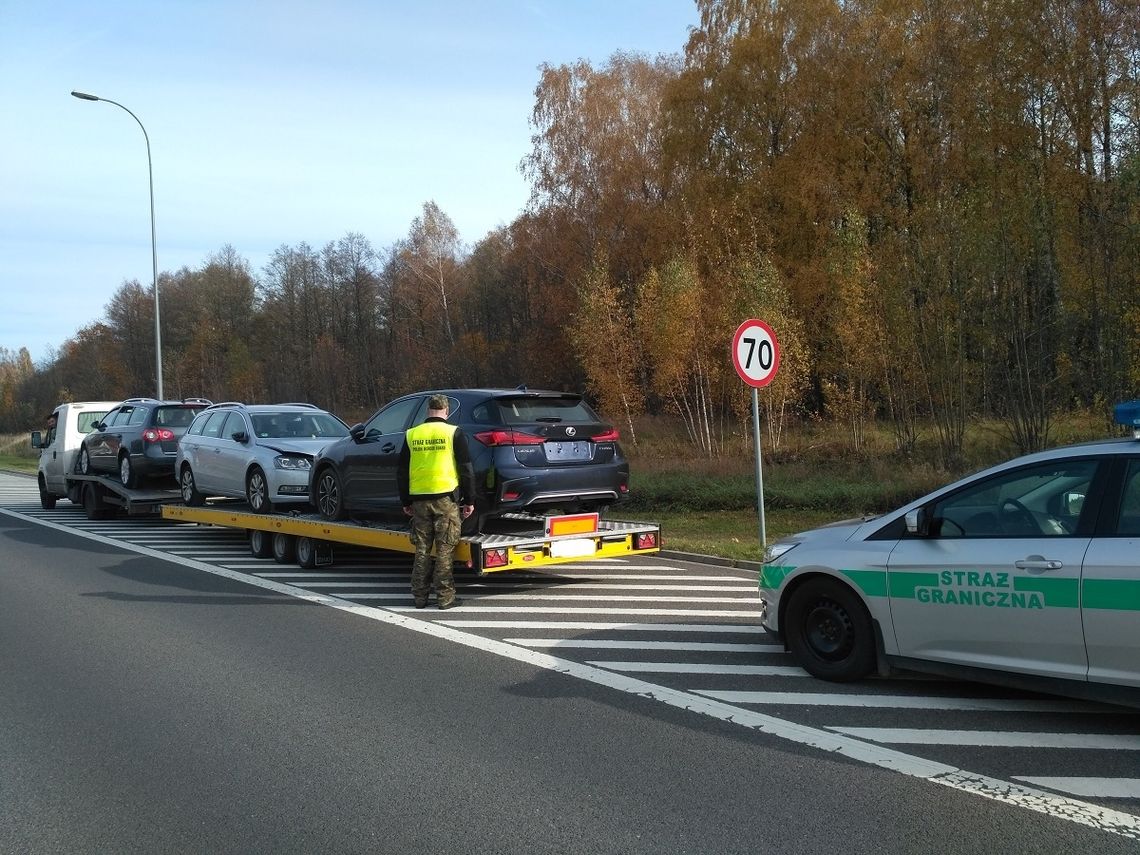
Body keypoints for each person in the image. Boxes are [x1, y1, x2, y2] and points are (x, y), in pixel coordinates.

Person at [398, 394, 476, 610]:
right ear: (446, 411)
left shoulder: (412, 434)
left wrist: (405, 500)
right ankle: (445, 598)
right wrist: (469, 499)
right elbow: (466, 469)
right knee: (444, 549)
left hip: (419, 501)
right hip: (445, 499)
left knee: (422, 549)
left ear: (428, 411)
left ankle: (419, 598)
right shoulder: (453, 433)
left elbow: (402, 472)